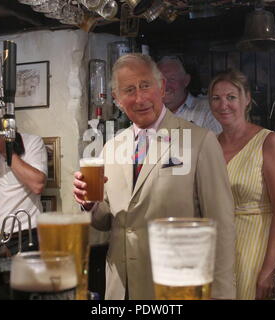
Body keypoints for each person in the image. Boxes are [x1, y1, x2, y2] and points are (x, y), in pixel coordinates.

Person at [73, 53, 236, 300]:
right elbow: (107, 221)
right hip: (120, 289)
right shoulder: (111, 148)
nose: (140, 98)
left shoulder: (200, 141)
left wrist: (221, 295)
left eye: (145, 86)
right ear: (117, 98)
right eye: (129, 90)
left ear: (161, 87)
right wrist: (90, 204)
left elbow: (221, 226)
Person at [208, 69, 275, 300]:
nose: (223, 104)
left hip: (256, 248)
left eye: (231, 97)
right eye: (216, 98)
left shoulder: (268, 142)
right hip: (218, 249)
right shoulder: (209, 145)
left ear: (246, 101)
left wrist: (268, 268)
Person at [0, 116, 48, 255]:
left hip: (24, 236)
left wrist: (4, 149)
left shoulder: (31, 142)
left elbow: (38, 184)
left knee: (22, 277)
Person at [156, 56, 222, 134]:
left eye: (172, 79)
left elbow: (217, 145)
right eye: (160, 80)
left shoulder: (207, 111)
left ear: (186, 81)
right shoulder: (149, 111)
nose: (165, 86)